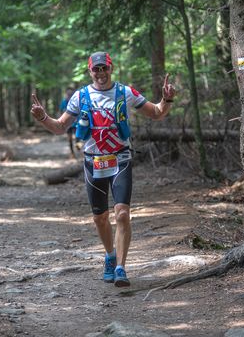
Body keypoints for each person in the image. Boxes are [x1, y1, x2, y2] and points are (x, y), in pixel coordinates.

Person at [30, 51, 175, 287]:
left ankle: (120, 267)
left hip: (121, 159)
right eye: (95, 69)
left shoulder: (125, 92)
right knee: (100, 218)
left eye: (104, 68)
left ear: (111, 68)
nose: (100, 73)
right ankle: (109, 255)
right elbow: (59, 127)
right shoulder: (80, 96)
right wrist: (43, 117)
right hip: (93, 162)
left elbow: (157, 113)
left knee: (122, 214)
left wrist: (166, 100)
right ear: (90, 71)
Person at [59, 86, 77, 157]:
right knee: (69, 139)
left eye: (71, 94)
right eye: (68, 94)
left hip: (76, 123)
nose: (69, 95)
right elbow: (61, 111)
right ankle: (72, 153)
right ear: (66, 94)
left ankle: (78, 148)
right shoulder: (64, 102)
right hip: (68, 124)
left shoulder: (76, 101)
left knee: (78, 137)